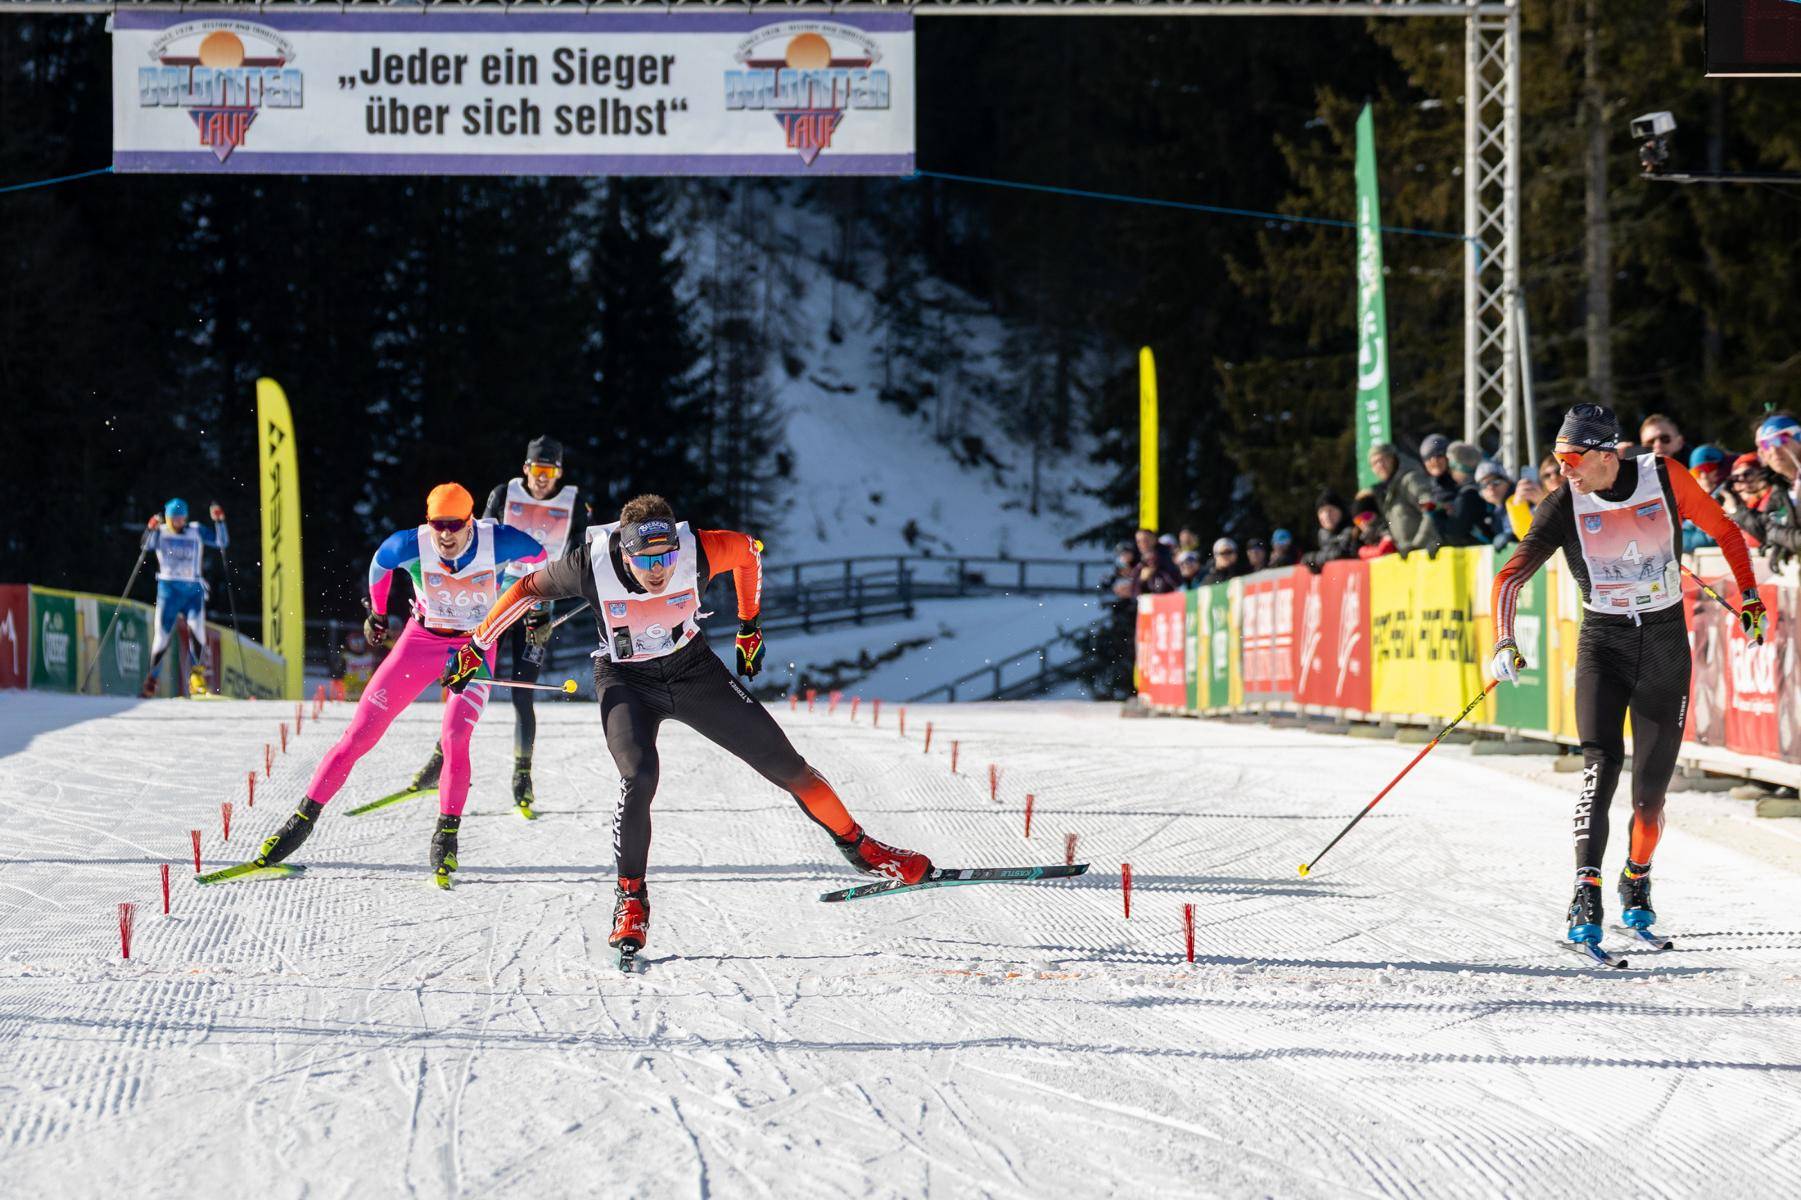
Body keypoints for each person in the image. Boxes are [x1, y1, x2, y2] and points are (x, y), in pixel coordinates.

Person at [444, 493, 935, 957]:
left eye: (666, 557)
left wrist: (749, 625)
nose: (658, 570)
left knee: (789, 767)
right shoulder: (587, 564)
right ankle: (631, 899)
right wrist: (475, 644)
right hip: (625, 680)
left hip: (692, 671)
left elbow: (749, 552)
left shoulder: (698, 550)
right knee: (639, 778)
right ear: (625, 552)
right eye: (646, 560)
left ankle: (864, 849)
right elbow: (527, 588)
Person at [1488, 404, 1763, 950]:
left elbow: (1727, 532)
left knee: (1649, 798)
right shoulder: (1564, 503)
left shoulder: (1662, 475)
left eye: (1571, 459)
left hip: (1663, 644)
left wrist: (1750, 596)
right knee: (1600, 764)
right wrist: (1504, 639)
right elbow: (1510, 577)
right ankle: (1584, 891)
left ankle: (1635, 878)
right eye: (1557, 458)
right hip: (1604, 645)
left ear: (1605, 453)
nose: (1562, 469)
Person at [243, 484, 546, 888]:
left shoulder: (501, 541)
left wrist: (534, 607)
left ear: (470, 521)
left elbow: (542, 558)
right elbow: (378, 566)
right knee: (358, 735)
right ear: (429, 522)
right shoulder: (409, 545)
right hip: (420, 643)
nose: (446, 534)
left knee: (456, 736)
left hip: (476, 646)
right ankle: (301, 820)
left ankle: (446, 833)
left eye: (455, 525)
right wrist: (378, 613)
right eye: (438, 524)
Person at [403, 436, 593, 818]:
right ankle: (441, 758)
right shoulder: (503, 495)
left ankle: (522, 776)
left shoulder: (573, 503)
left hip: (538, 605)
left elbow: (578, 557)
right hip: (494, 602)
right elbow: (478, 541)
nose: (542, 479)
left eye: (549, 472)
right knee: (467, 679)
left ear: (559, 473)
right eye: (536, 470)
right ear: (525, 468)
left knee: (523, 694)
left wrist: (552, 607)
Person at [140, 499, 228, 697]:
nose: (177, 523)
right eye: (173, 519)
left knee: (197, 631)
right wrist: (150, 528)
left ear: (186, 518)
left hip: (192, 591)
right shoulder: (161, 531)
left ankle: (196, 678)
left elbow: (222, 542)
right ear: (168, 518)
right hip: (169, 591)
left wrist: (219, 521)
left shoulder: (195, 530)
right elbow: (145, 546)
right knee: (161, 636)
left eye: (181, 519)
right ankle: (151, 680)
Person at [1368, 442, 1437, 558]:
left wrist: (1417, 544)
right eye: (1375, 463)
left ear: (1394, 459)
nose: (1380, 465)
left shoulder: (1410, 480)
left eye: (1383, 459)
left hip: (1427, 553)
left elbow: (1431, 508)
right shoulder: (1385, 491)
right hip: (1409, 556)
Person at [1682, 445, 1730, 551]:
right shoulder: (1698, 502)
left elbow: (1710, 539)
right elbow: (1682, 532)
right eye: (1697, 472)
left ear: (1722, 468)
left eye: (1709, 468)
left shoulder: (1728, 497)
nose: (1703, 476)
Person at [1302, 491, 1359, 571]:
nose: (1326, 516)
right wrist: (1312, 562)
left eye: (1330, 510)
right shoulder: (1322, 536)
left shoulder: (1352, 530)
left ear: (1341, 511)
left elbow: (1339, 554)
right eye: (1322, 511)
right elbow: (1308, 561)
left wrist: (1314, 558)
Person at [1475, 462, 1516, 547]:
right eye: (1484, 485)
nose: (1491, 488)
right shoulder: (1493, 510)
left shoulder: (1521, 500)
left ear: (1508, 482)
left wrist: (1512, 536)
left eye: (1496, 482)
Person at [1132, 528, 1183, 594]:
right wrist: (1141, 580)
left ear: (1154, 539)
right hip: (1155, 602)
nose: (1143, 544)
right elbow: (1134, 595)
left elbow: (1179, 582)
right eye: (1139, 541)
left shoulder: (1170, 556)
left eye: (1146, 539)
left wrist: (1159, 567)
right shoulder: (1138, 565)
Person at [1351, 490, 1394, 559]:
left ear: (1377, 514)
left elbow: (1385, 549)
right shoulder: (1357, 538)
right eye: (1358, 520)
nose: (1363, 522)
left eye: (1366, 516)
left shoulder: (1387, 529)